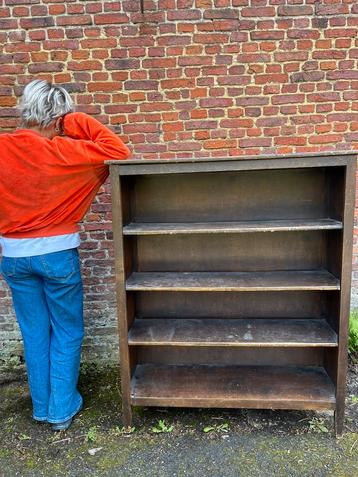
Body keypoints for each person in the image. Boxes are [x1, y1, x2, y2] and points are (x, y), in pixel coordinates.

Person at [0, 79, 131, 431]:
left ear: (26, 109)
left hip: (12, 255)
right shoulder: (66, 153)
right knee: (68, 329)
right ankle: (61, 408)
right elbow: (118, 152)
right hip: (57, 253)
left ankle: (42, 407)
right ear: (58, 117)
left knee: (34, 331)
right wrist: (72, 121)